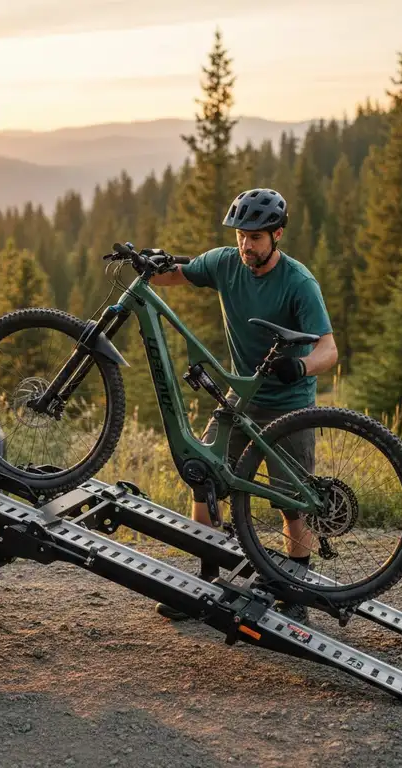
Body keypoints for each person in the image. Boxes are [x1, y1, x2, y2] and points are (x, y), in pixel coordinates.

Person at [149, 188, 338, 624]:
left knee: (292, 502)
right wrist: (147, 267)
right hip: (241, 400)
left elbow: (329, 350)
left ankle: (296, 593)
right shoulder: (224, 263)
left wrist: (302, 367)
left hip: (289, 406)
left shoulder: (298, 282)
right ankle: (202, 584)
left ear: (277, 235)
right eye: (240, 235)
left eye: (255, 237)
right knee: (205, 478)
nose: (245, 245)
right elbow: (180, 274)